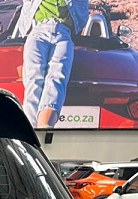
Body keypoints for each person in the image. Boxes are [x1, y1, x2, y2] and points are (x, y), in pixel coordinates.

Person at [17, 0, 90, 128]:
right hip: (38, 32)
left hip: (64, 34)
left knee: (56, 78)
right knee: (33, 79)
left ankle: (44, 128)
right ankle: (31, 132)